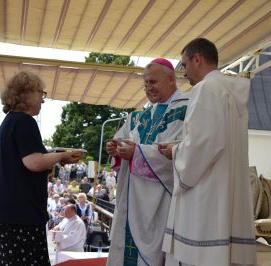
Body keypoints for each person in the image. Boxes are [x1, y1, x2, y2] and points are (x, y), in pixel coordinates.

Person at [160, 38, 256, 266]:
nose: (183, 72)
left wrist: (176, 150)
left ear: (197, 59)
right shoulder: (230, 92)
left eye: (184, 65)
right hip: (225, 192)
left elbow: (202, 145)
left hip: (207, 200)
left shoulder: (206, 90)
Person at [0, 71, 83, 266]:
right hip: (20, 215)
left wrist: (55, 155)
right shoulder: (24, 121)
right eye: (41, 93)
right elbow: (34, 162)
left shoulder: (10, 121)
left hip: (4, 212)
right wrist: (62, 155)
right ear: (27, 94)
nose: (42, 100)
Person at [106, 58, 189, 266]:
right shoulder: (139, 116)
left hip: (162, 199)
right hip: (132, 198)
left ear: (171, 79)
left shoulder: (186, 110)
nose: (148, 88)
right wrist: (115, 149)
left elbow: (183, 152)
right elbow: (123, 138)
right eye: (145, 84)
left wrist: (137, 153)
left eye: (153, 82)